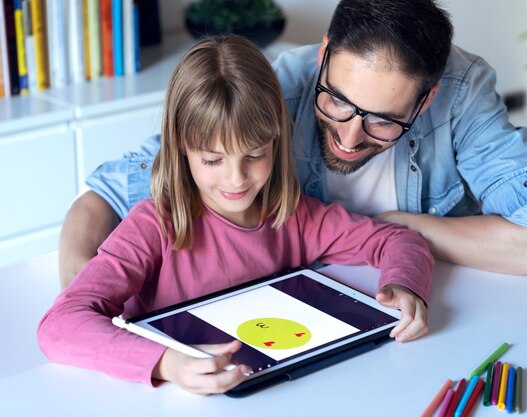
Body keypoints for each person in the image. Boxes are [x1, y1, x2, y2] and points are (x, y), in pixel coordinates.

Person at [58, 0, 527, 290]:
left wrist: (396, 229)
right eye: (338, 103)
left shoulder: (461, 93)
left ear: (427, 97)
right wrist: (81, 290)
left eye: (383, 122)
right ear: (325, 54)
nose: (349, 138)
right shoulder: (278, 86)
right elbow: (104, 194)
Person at [38, 36, 434, 396]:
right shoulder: (154, 227)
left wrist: (404, 282)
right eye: (212, 159)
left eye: (254, 155)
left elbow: (399, 240)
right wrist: (168, 363)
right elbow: (60, 326)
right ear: (181, 149)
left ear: (275, 143)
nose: (236, 179)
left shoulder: (294, 218)